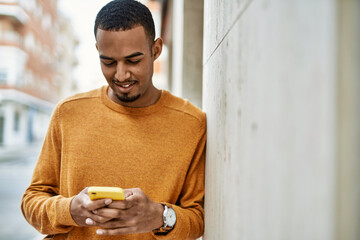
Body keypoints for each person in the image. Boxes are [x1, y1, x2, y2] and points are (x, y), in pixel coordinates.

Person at [21, 0, 206, 239]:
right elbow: (32, 200)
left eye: (133, 60)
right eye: (108, 62)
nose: (120, 75)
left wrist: (161, 216)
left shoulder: (190, 123)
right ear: (98, 50)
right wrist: (69, 210)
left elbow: (198, 217)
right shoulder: (68, 112)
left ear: (156, 49)